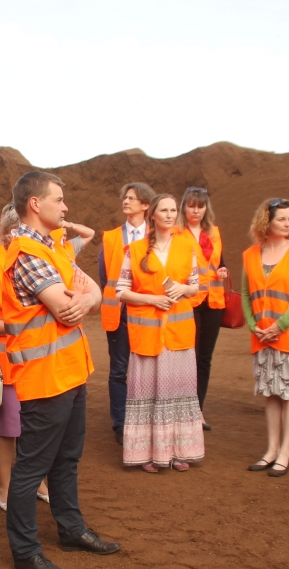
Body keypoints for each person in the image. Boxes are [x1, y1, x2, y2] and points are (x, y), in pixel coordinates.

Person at [2, 171, 119, 569]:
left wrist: (87, 298)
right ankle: (25, 552)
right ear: (35, 204)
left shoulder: (51, 247)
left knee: (67, 458)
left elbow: (93, 292)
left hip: (69, 371)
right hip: (44, 377)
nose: (65, 207)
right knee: (32, 467)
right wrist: (86, 299)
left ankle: (71, 531)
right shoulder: (27, 253)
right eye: (58, 200)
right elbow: (64, 308)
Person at [117, 193, 207, 472]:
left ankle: (179, 452)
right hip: (148, 336)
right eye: (164, 210)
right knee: (148, 395)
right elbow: (121, 291)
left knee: (178, 393)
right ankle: (146, 454)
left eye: (173, 210)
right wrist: (152, 300)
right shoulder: (135, 250)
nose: (170, 215)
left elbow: (196, 285)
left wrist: (184, 288)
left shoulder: (186, 247)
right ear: (152, 215)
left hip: (179, 335)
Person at [0, 205, 50, 508]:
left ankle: (38, 481)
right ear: (13, 232)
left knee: (37, 427)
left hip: (41, 360)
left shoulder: (44, 258)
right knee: (6, 429)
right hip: (7, 364)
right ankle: (4, 487)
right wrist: (20, 325)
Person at [241, 198, 289, 477]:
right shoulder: (251, 255)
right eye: (281, 219)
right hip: (263, 336)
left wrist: (281, 325)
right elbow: (246, 294)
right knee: (271, 393)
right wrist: (253, 325)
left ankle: (285, 453)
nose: (288, 224)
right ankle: (271, 450)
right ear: (267, 222)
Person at [98, 182, 154, 444]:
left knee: (147, 368)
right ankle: (120, 424)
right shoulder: (110, 237)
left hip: (148, 313)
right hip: (118, 312)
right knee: (119, 370)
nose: (126, 201)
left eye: (132, 198)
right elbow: (104, 276)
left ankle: (144, 420)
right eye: (125, 197)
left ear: (145, 204)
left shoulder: (157, 236)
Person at [178, 187, 228, 431]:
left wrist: (223, 270)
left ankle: (198, 411)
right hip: (189, 302)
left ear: (206, 208)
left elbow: (220, 262)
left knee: (204, 359)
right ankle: (183, 409)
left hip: (213, 301)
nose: (195, 211)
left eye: (200, 206)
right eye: (191, 206)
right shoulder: (177, 233)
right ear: (184, 207)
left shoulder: (214, 233)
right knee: (188, 357)